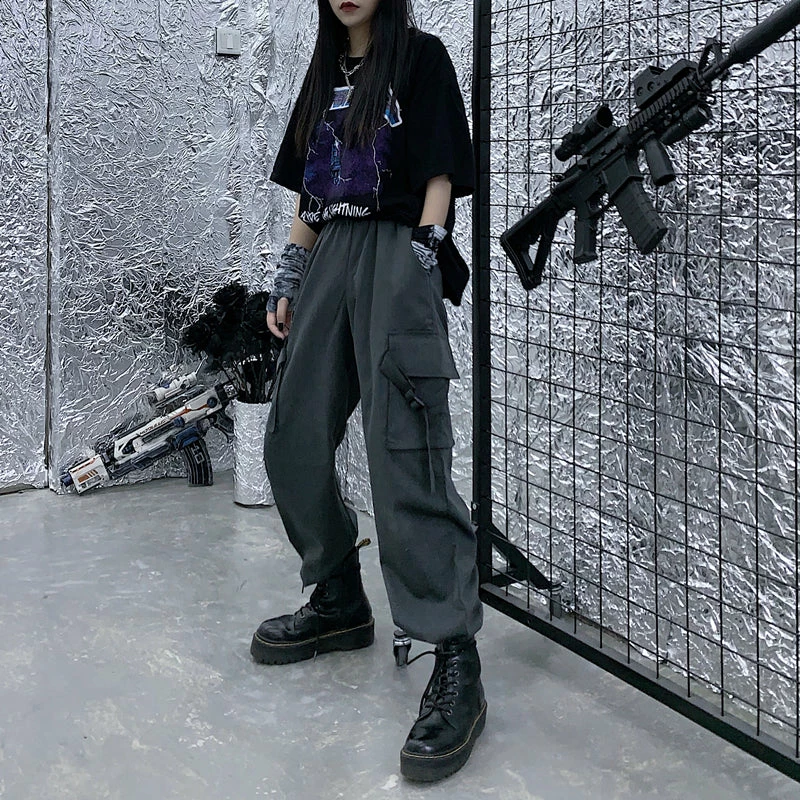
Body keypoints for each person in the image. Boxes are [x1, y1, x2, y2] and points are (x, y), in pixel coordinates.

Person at [252, 0, 485, 782]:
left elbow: (441, 173)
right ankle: (339, 597)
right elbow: (311, 190)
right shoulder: (324, 72)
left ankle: (453, 653)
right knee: (291, 434)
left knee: (403, 448)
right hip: (331, 254)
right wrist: (290, 270)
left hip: (396, 249)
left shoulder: (421, 57)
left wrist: (425, 252)